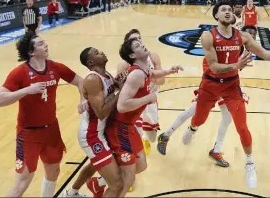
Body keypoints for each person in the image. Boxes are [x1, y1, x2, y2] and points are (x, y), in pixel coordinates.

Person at [181, 2, 270, 189]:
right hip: (210, 84)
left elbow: (264, 53)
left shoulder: (243, 36)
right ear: (216, 15)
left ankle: (250, 163)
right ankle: (193, 128)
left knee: (242, 126)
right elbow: (215, 67)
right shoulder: (208, 36)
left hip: (232, 87)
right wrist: (236, 66)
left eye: (229, 10)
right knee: (200, 119)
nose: (227, 11)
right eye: (223, 10)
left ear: (234, 16)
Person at [0, 31, 88, 197]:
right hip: (28, 133)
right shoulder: (19, 72)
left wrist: (82, 100)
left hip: (51, 129)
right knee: (23, 182)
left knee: (53, 171)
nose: (46, 45)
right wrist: (27, 90)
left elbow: (80, 81)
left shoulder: (55, 67)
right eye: (41, 44)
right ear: (31, 52)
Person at [156, 25, 257, 167]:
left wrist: (241, 65)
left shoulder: (242, 50)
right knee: (193, 111)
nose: (251, 36)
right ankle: (166, 135)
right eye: (249, 33)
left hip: (228, 87)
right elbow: (212, 66)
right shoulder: (222, 43)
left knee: (227, 118)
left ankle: (216, 150)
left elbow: (236, 69)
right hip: (212, 83)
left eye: (254, 34)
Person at [105, 38, 183, 197]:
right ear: (133, 55)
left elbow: (153, 73)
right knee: (127, 180)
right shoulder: (136, 75)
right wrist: (148, 98)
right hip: (120, 127)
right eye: (137, 45)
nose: (143, 44)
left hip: (129, 126)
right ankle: (109, 185)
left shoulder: (144, 68)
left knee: (141, 165)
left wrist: (169, 70)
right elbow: (122, 105)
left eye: (141, 42)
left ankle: (100, 182)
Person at [62, 47, 128, 197]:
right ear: (91, 62)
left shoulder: (105, 74)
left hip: (101, 130)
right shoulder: (92, 79)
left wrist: (121, 80)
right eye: (97, 53)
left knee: (95, 163)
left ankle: (71, 193)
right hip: (92, 136)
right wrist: (122, 91)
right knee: (117, 184)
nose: (102, 52)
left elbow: (116, 87)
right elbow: (101, 112)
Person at [117, 29, 164, 156]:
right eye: (134, 40)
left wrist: (148, 82)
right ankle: (136, 150)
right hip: (136, 102)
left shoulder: (153, 57)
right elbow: (121, 89)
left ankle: (145, 139)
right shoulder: (124, 64)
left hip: (150, 100)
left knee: (152, 136)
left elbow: (162, 81)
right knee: (135, 129)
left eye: (139, 39)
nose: (138, 41)